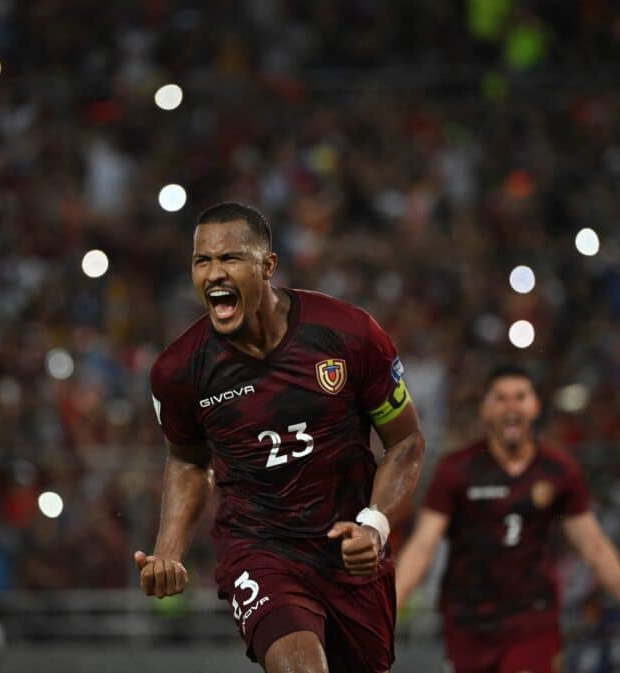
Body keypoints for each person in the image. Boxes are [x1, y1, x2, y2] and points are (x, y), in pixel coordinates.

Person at [135, 201, 426, 673]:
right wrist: (168, 550)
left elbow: (406, 442)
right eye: (201, 261)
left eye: (229, 259)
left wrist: (375, 524)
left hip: (349, 553)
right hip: (259, 548)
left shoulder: (348, 334)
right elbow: (189, 461)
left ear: (267, 266)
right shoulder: (178, 370)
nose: (213, 274)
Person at [396, 364, 620, 673]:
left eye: (520, 397)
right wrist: (386, 614)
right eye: (501, 398)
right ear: (485, 409)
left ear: (535, 405)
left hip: (531, 620)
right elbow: (422, 547)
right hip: (468, 623)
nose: (511, 407)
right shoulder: (456, 470)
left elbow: (593, 545)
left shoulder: (559, 470)